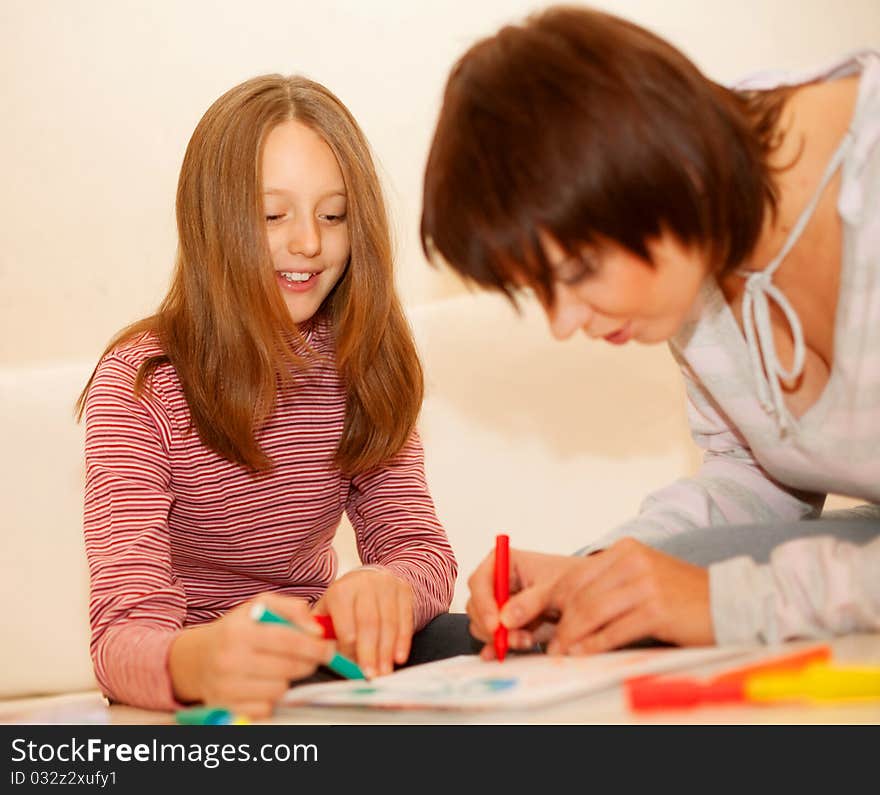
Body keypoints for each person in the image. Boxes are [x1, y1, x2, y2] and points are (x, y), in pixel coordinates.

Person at [420, 5, 880, 657]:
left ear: (667, 170)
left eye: (579, 270)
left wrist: (731, 601)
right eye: (539, 291)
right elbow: (754, 473)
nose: (564, 323)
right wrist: (600, 573)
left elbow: (734, 587)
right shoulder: (698, 243)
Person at [77, 74, 474, 718]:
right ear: (214, 224)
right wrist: (202, 660)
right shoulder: (140, 383)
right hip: (202, 681)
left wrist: (383, 585)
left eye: (333, 214)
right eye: (272, 215)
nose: (309, 243)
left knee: (482, 643)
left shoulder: (361, 360)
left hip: (319, 661)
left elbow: (419, 550)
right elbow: (122, 637)